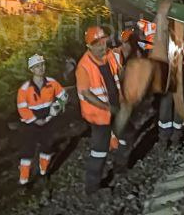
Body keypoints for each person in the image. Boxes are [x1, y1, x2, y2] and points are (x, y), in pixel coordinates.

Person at [76, 26, 124, 197]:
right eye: (98, 44)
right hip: (99, 116)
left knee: (123, 137)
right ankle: (92, 188)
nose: (103, 47)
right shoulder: (84, 66)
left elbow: (120, 70)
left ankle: (120, 168)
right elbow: (86, 94)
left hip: (115, 108)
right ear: (89, 46)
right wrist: (107, 107)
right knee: (99, 151)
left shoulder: (109, 56)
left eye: (104, 42)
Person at [16, 53, 66, 185]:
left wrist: (54, 110)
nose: (41, 68)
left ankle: (44, 171)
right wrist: (34, 120)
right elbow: (22, 108)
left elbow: (63, 96)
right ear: (32, 70)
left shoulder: (52, 83)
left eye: (42, 65)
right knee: (27, 150)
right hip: (31, 124)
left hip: (48, 121)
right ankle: (24, 179)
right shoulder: (24, 89)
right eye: (37, 66)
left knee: (47, 147)